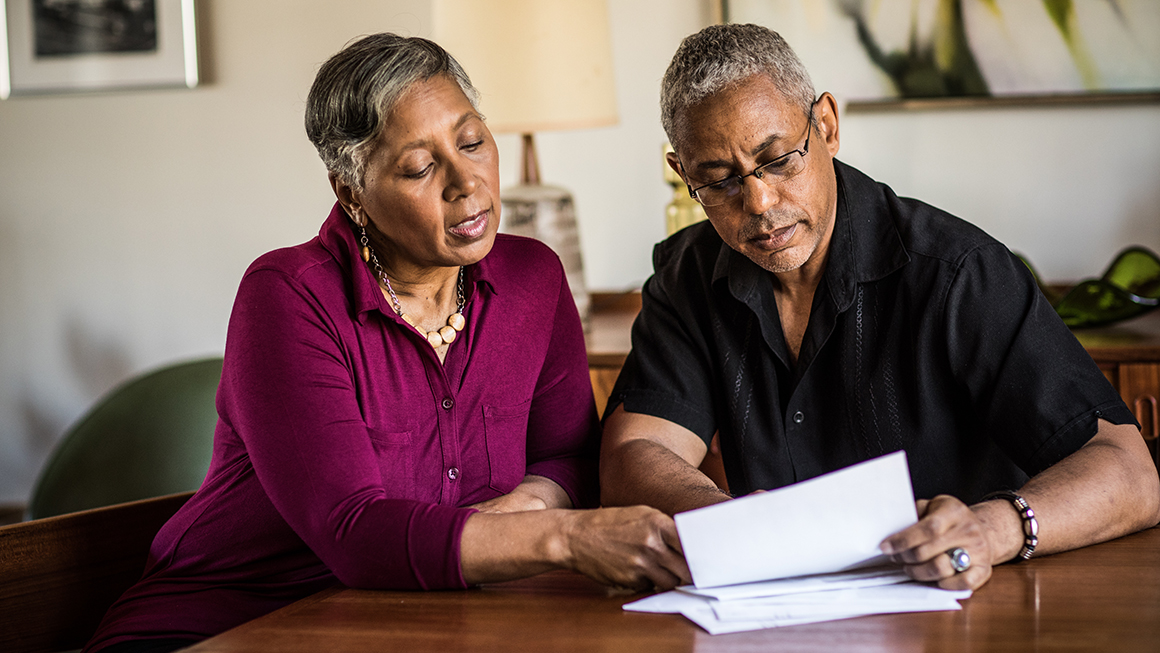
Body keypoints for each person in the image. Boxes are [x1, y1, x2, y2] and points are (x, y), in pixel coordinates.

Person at [86, 34, 688, 653]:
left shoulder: (534, 278)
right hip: (230, 624)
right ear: (351, 193)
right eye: (420, 168)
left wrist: (526, 506)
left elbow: (569, 457)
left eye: (473, 142)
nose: (466, 183)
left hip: (412, 621)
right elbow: (352, 530)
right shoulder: (288, 296)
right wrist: (562, 537)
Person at [600, 24, 1160, 593]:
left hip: (966, 606)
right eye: (718, 182)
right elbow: (635, 451)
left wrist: (990, 530)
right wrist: (726, 516)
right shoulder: (686, 275)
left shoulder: (957, 271)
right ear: (682, 173)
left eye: (778, 160)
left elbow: (1130, 472)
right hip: (774, 616)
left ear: (826, 125)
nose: (760, 203)